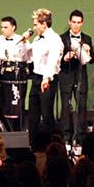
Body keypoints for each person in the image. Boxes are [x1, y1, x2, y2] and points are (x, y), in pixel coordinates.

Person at [26, 8, 64, 143]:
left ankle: (51, 146)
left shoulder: (54, 39)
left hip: (47, 78)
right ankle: (33, 144)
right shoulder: (37, 38)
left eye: (36, 24)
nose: (34, 27)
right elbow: (29, 57)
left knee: (46, 114)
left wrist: (46, 78)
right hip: (36, 78)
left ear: (44, 24)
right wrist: (25, 41)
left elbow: (53, 60)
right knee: (32, 115)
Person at [0, 16, 29, 131]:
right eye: (1, 27)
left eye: (5, 27)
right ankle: (3, 130)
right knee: (1, 103)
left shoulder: (22, 39)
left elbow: (27, 57)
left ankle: (18, 131)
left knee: (17, 103)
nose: (2, 29)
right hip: (1, 76)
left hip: (17, 76)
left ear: (13, 27)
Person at [59, 10, 94, 144]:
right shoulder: (62, 38)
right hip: (66, 75)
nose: (76, 25)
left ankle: (80, 137)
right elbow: (57, 59)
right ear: (69, 22)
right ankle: (66, 137)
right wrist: (65, 58)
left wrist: (88, 51)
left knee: (81, 106)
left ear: (82, 23)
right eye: (73, 22)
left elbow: (92, 60)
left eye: (78, 22)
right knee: (65, 106)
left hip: (81, 75)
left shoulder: (87, 38)